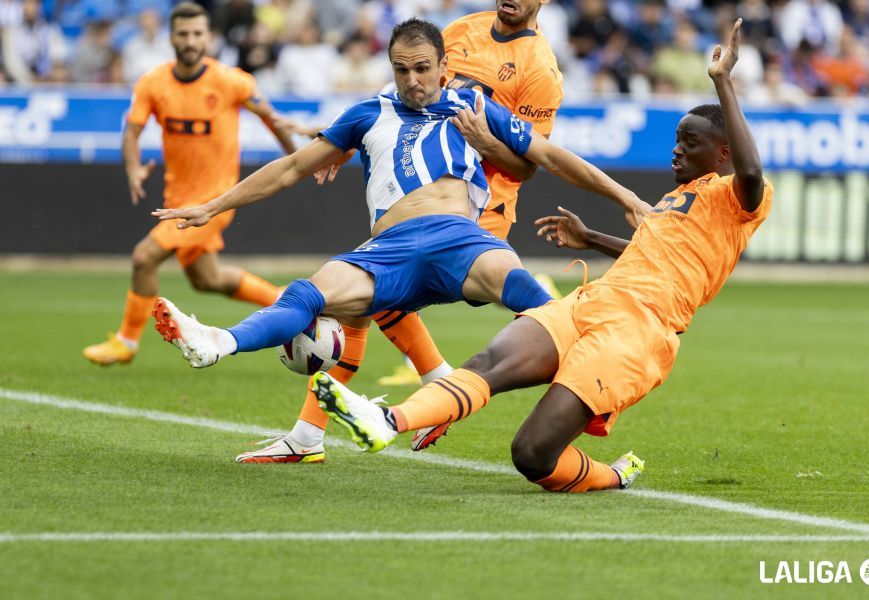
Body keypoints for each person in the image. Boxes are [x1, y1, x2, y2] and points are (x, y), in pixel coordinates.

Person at [150, 19, 649, 470]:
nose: (412, 80)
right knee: (309, 294)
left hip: (460, 240)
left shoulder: (473, 108)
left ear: (445, 67)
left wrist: (625, 196)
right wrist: (211, 207)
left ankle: (590, 398)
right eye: (401, 69)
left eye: (423, 68)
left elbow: (551, 156)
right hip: (388, 249)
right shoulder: (368, 112)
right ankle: (216, 342)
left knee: (537, 302)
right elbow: (290, 169)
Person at [314, 19, 773, 494]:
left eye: (690, 143)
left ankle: (614, 475)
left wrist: (722, 81)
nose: (676, 151)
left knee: (531, 454)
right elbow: (653, 256)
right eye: (676, 140)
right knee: (489, 360)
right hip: (593, 302)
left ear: (722, 154)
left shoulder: (736, 200)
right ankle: (387, 419)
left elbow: (752, 169)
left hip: (639, 330)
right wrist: (591, 238)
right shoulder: (673, 202)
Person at [234, 1, 573, 464]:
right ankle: (310, 434)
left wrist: (482, 140)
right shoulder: (459, 30)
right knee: (365, 309)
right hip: (416, 186)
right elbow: (399, 98)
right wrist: (340, 140)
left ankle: (447, 384)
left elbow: (526, 165)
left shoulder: (541, 70)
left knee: (376, 300)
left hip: (476, 205)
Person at [83, 2, 304, 366]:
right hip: (178, 198)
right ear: (171, 38)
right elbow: (132, 132)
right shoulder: (153, 83)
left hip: (215, 201)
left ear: (209, 37)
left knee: (143, 258)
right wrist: (133, 167)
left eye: (197, 33)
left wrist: (297, 161)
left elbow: (273, 120)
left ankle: (126, 341)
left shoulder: (232, 81)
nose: (190, 41)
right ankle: (287, 303)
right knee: (208, 278)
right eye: (183, 34)